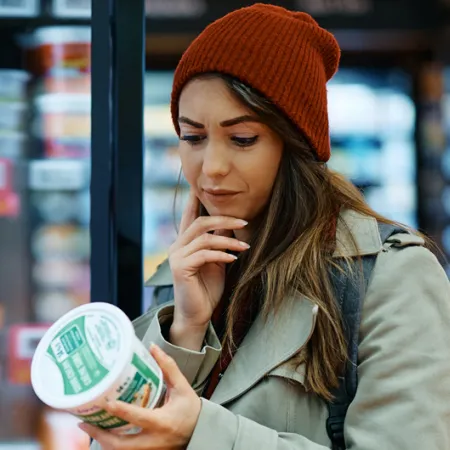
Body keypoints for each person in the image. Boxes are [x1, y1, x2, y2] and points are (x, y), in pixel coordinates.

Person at [86, 3, 450, 449]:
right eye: (192, 137)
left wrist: (200, 431)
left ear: (294, 143)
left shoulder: (390, 277)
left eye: (242, 139)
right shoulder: (185, 276)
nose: (211, 167)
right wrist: (187, 328)